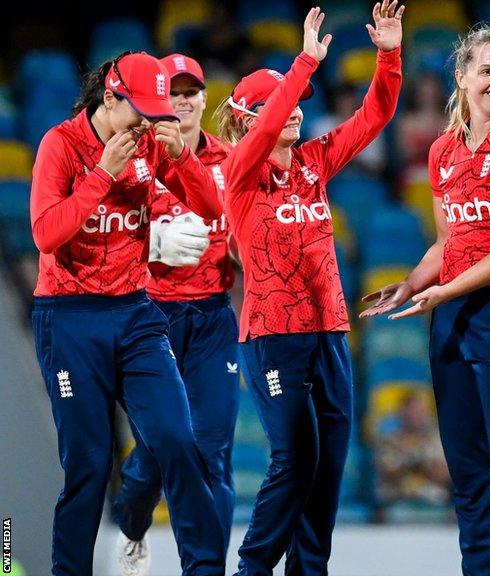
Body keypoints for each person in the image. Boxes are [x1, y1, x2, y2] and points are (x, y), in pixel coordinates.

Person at [212, 5, 403, 574]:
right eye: (277, 104)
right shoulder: (240, 174)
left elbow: (376, 114)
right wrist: (302, 63)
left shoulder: (313, 163)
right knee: (295, 459)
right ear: (248, 120)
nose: (292, 110)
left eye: (296, 101)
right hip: (273, 337)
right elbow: (268, 126)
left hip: (329, 336)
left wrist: (388, 55)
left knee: (328, 468)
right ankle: (252, 567)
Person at [361, 22, 490, 576]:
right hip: (452, 314)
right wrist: (413, 283)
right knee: (468, 468)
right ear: (462, 77)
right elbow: (450, 241)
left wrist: (446, 288)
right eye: (488, 71)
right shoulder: (443, 150)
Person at [29, 51, 225, 575]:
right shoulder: (61, 145)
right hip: (68, 317)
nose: (151, 121)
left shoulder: (149, 141)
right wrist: (100, 175)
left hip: (136, 314)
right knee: (90, 465)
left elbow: (211, 209)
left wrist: (182, 157)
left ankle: (204, 569)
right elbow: (46, 234)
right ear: (110, 98)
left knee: (178, 441)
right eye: (141, 109)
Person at [110, 53, 238, 576]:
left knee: (213, 453)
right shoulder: (132, 157)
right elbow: (102, 233)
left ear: (205, 100)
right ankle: (132, 521)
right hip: (149, 318)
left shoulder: (230, 160)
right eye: (174, 92)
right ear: (158, 97)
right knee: (163, 452)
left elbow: (238, 234)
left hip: (211, 318)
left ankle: (206, 569)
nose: (182, 101)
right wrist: (153, 244)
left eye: (192, 92)